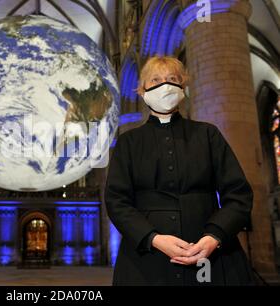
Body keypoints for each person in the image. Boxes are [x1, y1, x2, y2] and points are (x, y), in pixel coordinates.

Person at [105, 55, 255, 285]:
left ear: (182, 87)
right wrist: (153, 238)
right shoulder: (128, 142)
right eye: (155, 80)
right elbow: (116, 201)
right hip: (145, 258)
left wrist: (215, 236)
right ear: (142, 91)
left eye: (172, 79)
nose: (164, 85)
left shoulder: (208, 134)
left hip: (211, 256)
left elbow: (239, 194)